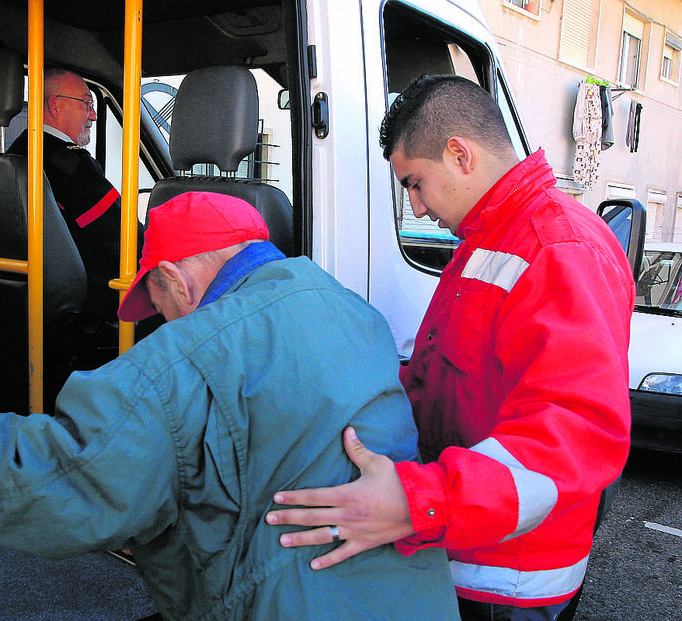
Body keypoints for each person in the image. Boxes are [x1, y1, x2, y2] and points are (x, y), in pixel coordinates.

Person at [0, 191, 460, 620]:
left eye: (154, 302)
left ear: (170, 280)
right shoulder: (354, 310)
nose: (158, 321)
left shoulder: (186, 357)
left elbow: (50, 484)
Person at [265, 74, 636, 620]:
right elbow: (437, 377)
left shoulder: (560, 249)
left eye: (414, 183)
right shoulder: (487, 241)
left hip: (508, 578)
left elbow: (575, 435)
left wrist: (417, 502)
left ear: (460, 154)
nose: (415, 207)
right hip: (464, 547)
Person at [7, 67, 121, 329]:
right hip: (92, 303)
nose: (92, 114)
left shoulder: (16, 154)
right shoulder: (70, 165)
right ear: (56, 106)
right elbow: (122, 238)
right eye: (86, 103)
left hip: (24, 297)